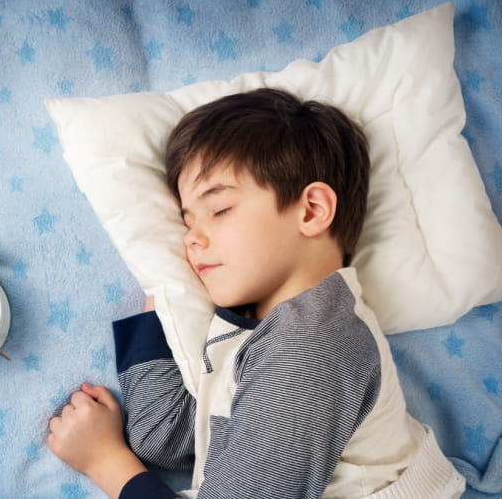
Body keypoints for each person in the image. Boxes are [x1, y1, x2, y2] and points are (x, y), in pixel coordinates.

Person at [47, 88, 466, 498]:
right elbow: (170, 438)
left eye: (220, 209)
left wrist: (105, 463)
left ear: (311, 211)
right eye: (187, 221)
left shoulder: (313, 345)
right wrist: (163, 289)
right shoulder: (258, 333)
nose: (192, 239)